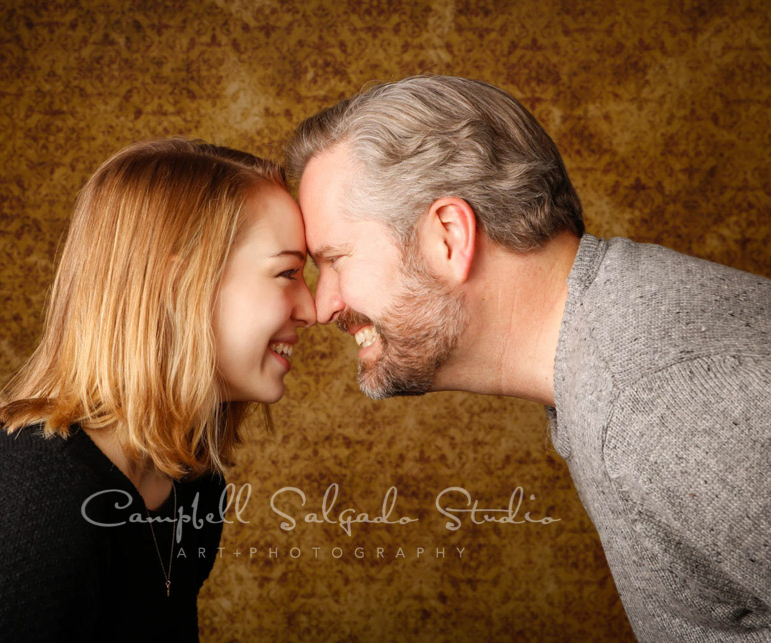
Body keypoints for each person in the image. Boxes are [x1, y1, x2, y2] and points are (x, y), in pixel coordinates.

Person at [286, 76, 770, 641]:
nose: (323, 306)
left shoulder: (659, 404)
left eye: (337, 259)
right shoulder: (613, 355)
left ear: (449, 236)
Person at [0, 139, 315, 641]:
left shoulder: (192, 486)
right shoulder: (25, 518)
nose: (311, 309)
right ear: (177, 285)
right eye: (287, 273)